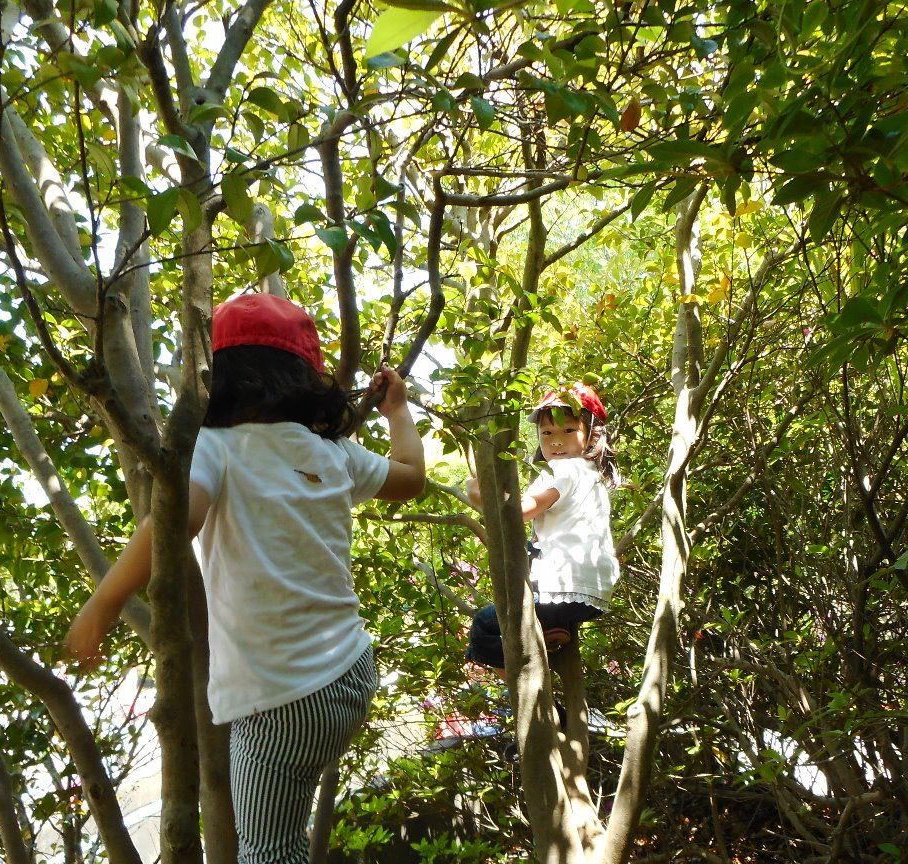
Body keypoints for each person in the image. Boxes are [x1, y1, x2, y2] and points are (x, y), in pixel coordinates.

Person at [66, 292, 426, 864]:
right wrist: (397, 411)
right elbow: (411, 477)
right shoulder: (331, 451)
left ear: (216, 378)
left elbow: (176, 517)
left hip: (281, 700)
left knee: (267, 851)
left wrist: (105, 600)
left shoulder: (216, 446)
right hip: (351, 672)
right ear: (306, 377)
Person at [464, 382, 620, 678]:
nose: (556, 442)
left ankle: (525, 677)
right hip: (592, 594)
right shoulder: (594, 476)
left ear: (591, 435)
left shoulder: (562, 469)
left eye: (568, 431)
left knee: (485, 626)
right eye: (547, 433)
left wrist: (480, 494)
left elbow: (520, 511)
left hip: (560, 588)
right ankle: (551, 631)